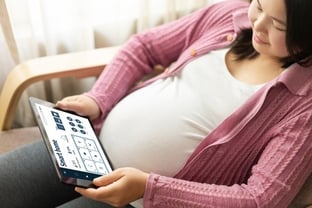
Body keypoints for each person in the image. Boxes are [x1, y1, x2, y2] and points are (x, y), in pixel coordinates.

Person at [0, 0, 312, 207]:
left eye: (279, 26)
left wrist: (149, 189)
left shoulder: (303, 107)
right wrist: (99, 98)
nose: (256, 25)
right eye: (258, 5)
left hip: (140, 201)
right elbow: (144, 46)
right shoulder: (229, 16)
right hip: (87, 146)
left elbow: (260, 199)